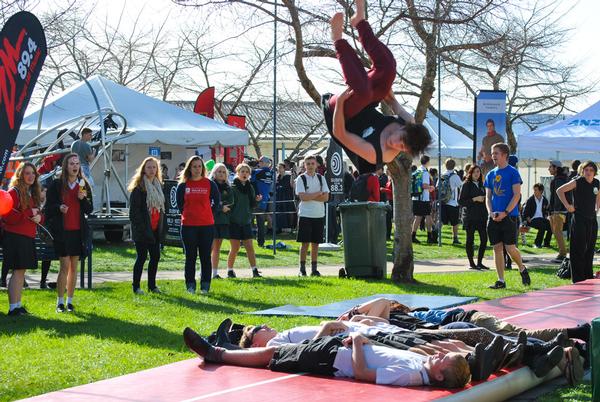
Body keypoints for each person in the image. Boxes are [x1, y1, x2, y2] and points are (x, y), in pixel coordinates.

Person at [322, 0, 431, 175]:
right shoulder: (409, 121)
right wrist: (383, 82)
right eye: (401, 140)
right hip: (364, 104)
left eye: (402, 148)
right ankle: (360, 22)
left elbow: (339, 133)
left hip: (340, 115)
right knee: (388, 68)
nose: (397, 145)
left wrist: (341, 102)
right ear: (405, 128)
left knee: (364, 92)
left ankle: (337, 40)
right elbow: (392, 100)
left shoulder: (378, 154)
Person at [183, 328, 471, 389]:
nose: (440, 355)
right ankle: (225, 348)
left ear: (440, 376)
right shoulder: (419, 366)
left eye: (444, 360)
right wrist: (361, 340)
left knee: (273, 356)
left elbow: (362, 373)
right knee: (275, 353)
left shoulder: (409, 375)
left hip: (332, 359)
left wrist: (358, 342)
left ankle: (217, 353)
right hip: (336, 349)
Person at [45, 154, 93, 313]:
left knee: (74, 267)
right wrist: (59, 208)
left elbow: (89, 209)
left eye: (77, 163)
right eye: (72, 163)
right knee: (64, 266)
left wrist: (82, 199)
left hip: (78, 232)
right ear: (66, 166)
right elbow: (48, 208)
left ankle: (70, 301)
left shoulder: (83, 184)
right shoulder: (57, 184)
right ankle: (59, 302)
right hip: (62, 232)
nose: (75, 166)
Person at [484, 143, 531, 289]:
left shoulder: (513, 173)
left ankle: (522, 268)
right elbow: (488, 197)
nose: (493, 156)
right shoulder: (490, 174)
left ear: (505, 155)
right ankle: (501, 280)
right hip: (493, 217)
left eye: (496, 153)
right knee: (497, 248)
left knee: (510, 248)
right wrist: (490, 212)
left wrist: (505, 213)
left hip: (509, 216)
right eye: (492, 153)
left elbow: (517, 195)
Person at [3, 162, 43, 316]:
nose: (31, 176)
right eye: (27, 173)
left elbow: (38, 213)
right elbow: (7, 215)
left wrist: (40, 217)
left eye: (33, 173)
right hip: (15, 236)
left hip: (27, 236)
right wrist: (28, 215)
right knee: (17, 271)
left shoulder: (31, 193)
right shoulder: (14, 192)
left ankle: (18, 305)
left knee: (21, 271)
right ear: (20, 175)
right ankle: (13, 308)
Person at [176, 156, 221, 294]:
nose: (197, 169)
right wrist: (190, 214)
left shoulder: (210, 184)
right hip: (189, 225)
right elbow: (180, 205)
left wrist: (206, 213)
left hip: (206, 225)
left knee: (205, 257)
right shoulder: (183, 185)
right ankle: (190, 285)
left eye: (199, 166)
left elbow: (216, 202)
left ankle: (205, 286)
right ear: (189, 168)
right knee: (190, 257)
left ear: (203, 168)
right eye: (194, 166)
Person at [557, 161, 600, 283]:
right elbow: (560, 191)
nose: (589, 172)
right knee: (578, 248)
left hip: (591, 219)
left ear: (595, 172)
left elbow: (598, 196)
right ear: (582, 171)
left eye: (591, 170)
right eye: (586, 170)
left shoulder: (597, 183)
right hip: (579, 218)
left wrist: (597, 208)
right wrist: (568, 206)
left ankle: (587, 276)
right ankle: (577, 278)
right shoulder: (577, 181)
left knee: (590, 249)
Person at [128, 157, 166, 295]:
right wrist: (143, 229)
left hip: (155, 228)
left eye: (154, 167)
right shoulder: (138, 189)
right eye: (149, 167)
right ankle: (136, 286)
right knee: (142, 257)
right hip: (143, 230)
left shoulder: (158, 186)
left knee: (155, 257)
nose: (151, 170)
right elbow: (134, 214)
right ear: (143, 169)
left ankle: (152, 286)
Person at [295, 155, 330, 277]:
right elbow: (302, 197)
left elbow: (326, 197)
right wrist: (317, 194)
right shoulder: (301, 179)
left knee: (316, 244)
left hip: (319, 214)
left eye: (312, 163)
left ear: (316, 165)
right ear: (304, 165)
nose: (310, 166)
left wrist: (311, 196)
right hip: (305, 214)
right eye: (308, 163)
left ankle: (314, 269)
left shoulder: (321, 178)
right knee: (305, 243)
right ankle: (302, 269)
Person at [227, 163, 262, 279]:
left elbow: (252, 205)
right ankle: (230, 271)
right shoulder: (233, 188)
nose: (245, 174)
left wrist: (257, 200)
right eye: (242, 171)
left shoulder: (250, 187)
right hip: (234, 222)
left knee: (250, 247)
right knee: (235, 248)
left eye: (247, 172)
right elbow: (230, 206)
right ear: (237, 173)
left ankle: (254, 270)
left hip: (246, 221)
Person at [459, 165, 488, 270]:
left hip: (482, 217)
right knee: (470, 240)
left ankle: (480, 262)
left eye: (478, 172)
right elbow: (461, 201)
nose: (477, 174)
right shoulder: (466, 185)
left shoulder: (482, 185)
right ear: (470, 173)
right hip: (470, 217)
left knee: (484, 240)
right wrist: (475, 199)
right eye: (475, 172)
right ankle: (471, 263)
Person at [208, 163, 233, 279]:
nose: (221, 174)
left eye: (223, 172)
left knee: (217, 247)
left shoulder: (228, 188)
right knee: (209, 247)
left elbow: (231, 201)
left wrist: (223, 206)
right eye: (219, 171)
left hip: (222, 221)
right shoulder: (209, 185)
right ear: (214, 173)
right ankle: (204, 271)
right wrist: (220, 206)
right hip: (210, 220)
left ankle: (214, 273)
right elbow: (209, 201)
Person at [548, 160, 569, 263]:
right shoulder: (559, 179)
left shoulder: (559, 180)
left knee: (557, 232)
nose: (549, 169)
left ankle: (562, 254)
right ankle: (563, 251)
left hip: (559, 211)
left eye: (550, 167)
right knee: (556, 232)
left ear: (556, 168)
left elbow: (558, 196)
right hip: (557, 210)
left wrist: (556, 210)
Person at [251, 156, 273, 247]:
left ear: (263, 163)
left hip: (255, 200)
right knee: (261, 223)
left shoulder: (258, 172)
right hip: (264, 200)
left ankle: (242, 241)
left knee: (247, 221)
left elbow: (251, 179)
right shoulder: (271, 173)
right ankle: (261, 242)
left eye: (259, 162)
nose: (258, 163)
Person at [439, 159, 463, 245]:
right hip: (453, 202)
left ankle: (437, 235)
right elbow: (461, 186)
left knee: (441, 220)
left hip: (443, 201)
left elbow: (437, 186)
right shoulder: (455, 176)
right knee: (455, 222)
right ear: (454, 166)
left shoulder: (442, 175)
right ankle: (455, 238)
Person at [412, 155, 434, 243]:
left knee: (418, 217)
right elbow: (424, 185)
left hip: (416, 197)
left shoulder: (417, 170)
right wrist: (431, 187)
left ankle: (413, 235)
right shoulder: (424, 172)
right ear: (427, 162)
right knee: (427, 216)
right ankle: (429, 236)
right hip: (423, 198)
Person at [522, 183, 552, 249]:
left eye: (536, 190)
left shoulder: (544, 200)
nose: (534, 192)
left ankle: (546, 243)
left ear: (541, 191)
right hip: (532, 219)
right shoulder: (530, 200)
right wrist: (527, 218)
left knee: (551, 225)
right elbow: (525, 211)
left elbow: (547, 210)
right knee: (542, 226)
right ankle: (537, 243)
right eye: (534, 190)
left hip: (542, 219)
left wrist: (548, 216)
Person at [275, 162, 295, 231]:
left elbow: (291, 186)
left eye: (280, 168)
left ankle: (291, 227)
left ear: (284, 168)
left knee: (289, 211)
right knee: (281, 212)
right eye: (278, 168)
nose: (279, 169)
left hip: (287, 196)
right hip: (280, 197)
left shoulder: (288, 177)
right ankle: (282, 227)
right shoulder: (278, 178)